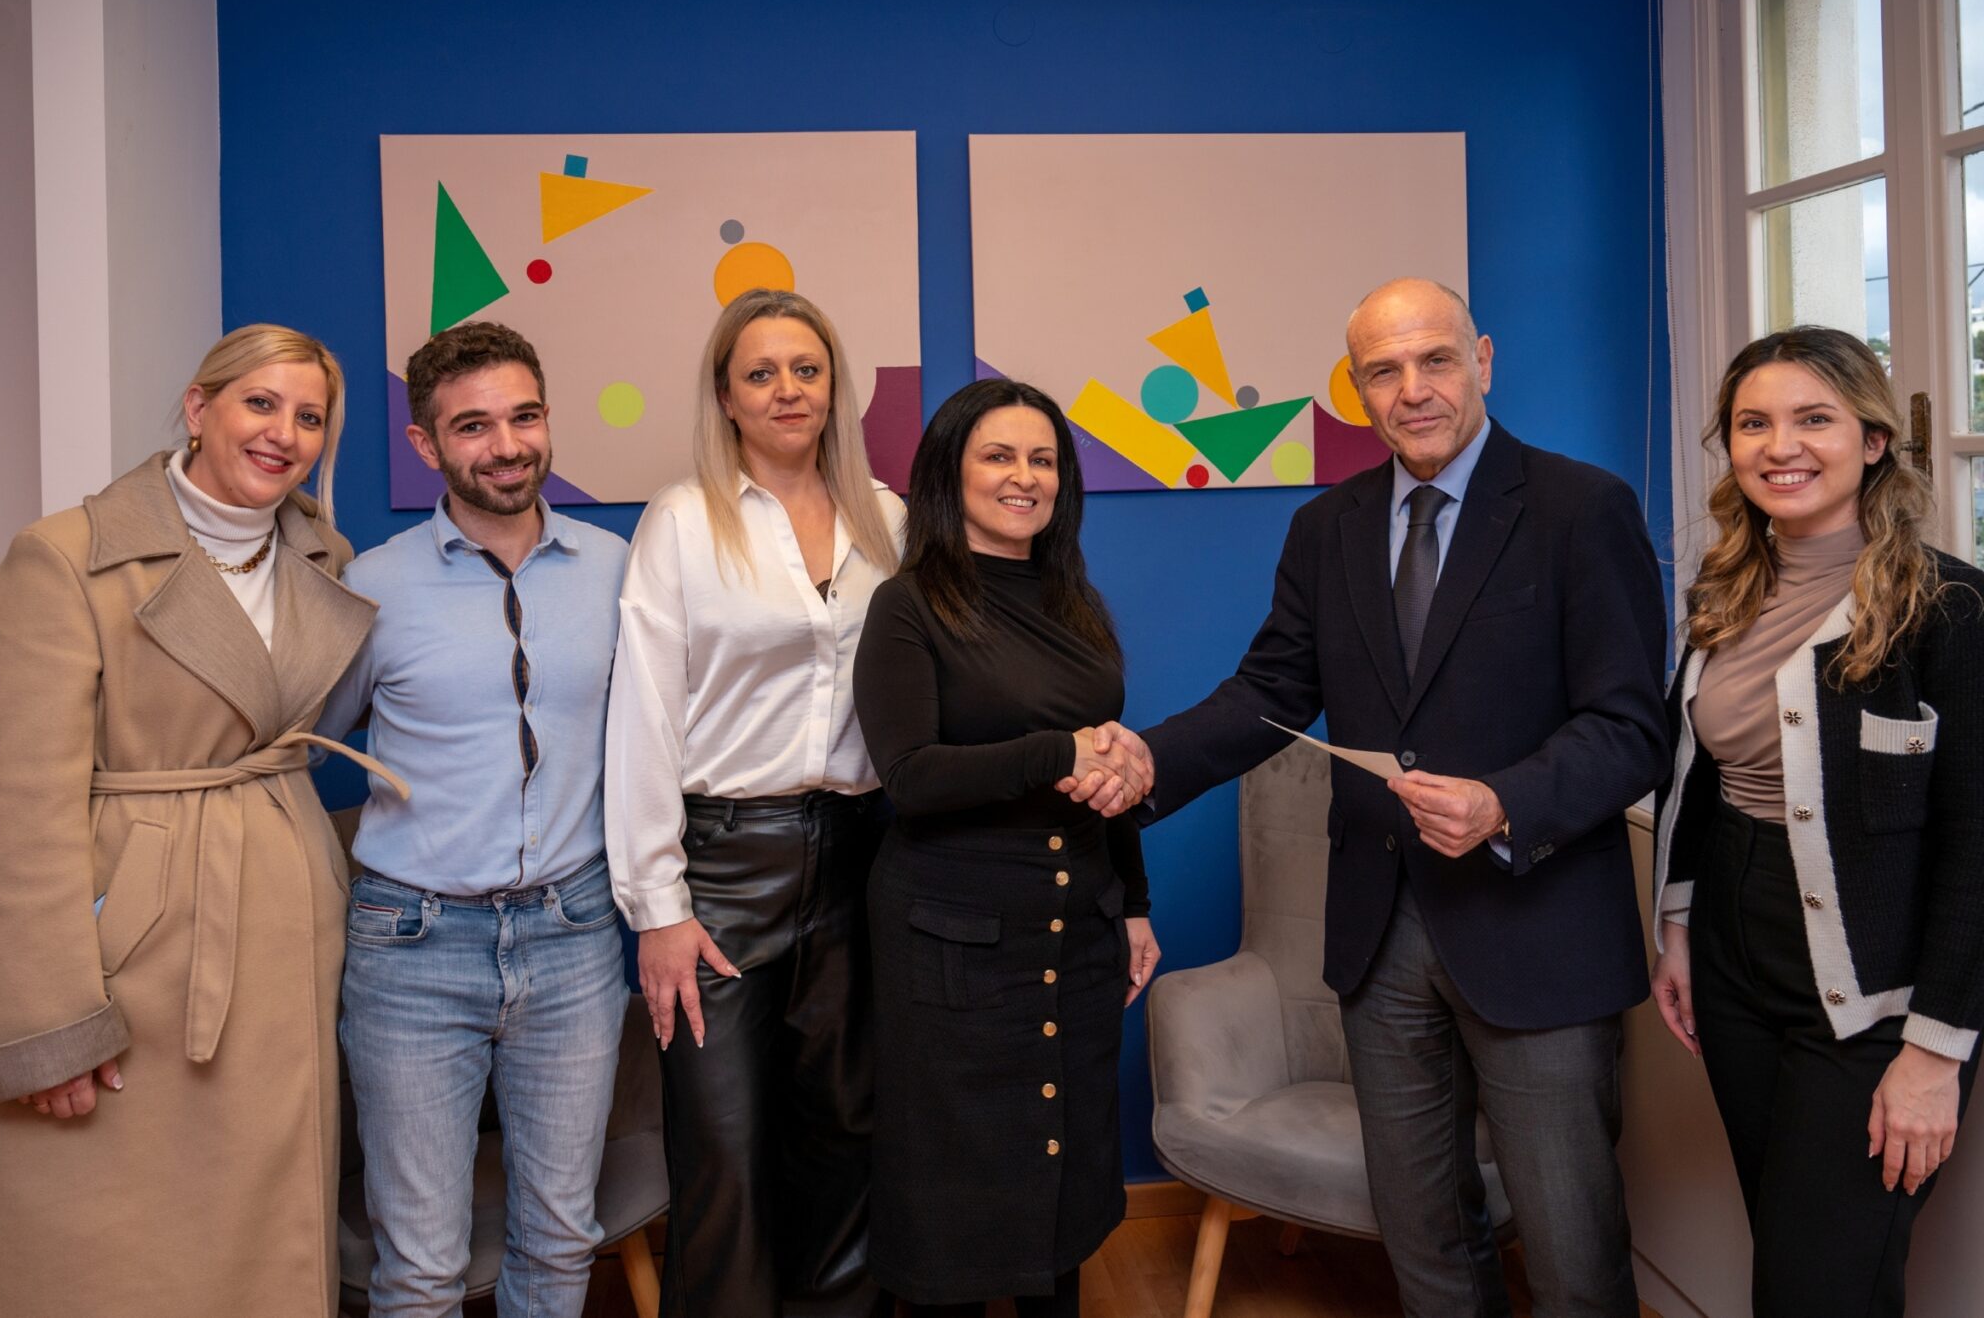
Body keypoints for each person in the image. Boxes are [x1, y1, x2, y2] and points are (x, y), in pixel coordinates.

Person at [1077, 278, 1668, 1316]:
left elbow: (1631, 729)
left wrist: (1502, 803)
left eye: (1434, 360)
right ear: (1355, 391)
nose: (1413, 390)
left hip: (1535, 930)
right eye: (1382, 372)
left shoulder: (1583, 509)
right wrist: (1147, 761)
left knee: (1571, 1254)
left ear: (1482, 361)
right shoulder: (1327, 527)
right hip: (1378, 933)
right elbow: (1268, 694)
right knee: (1425, 1241)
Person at [0, 324, 404, 1317]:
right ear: (199, 408)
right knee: (99, 1242)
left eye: (308, 417)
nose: (282, 433)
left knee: (257, 1232)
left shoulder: (322, 554)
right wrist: (46, 1027)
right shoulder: (66, 558)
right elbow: (13, 809)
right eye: (259, 403)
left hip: (283, 936)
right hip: (134, 950)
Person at [1648, 326, 1984, 1316]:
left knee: (1817, 1290)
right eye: (1752, 424)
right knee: (1791, 1257)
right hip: (1733, 959)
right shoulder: (1724, 596)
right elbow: (1697, 776)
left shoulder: (1949, 610)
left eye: (1812, 420)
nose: (1779, 446)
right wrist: (1677, 927)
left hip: (1874, 995)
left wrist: (1935, 1053)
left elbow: (1976, 847)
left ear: (1872, 441)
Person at [316, 321, 630, 1317]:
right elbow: (314, 739)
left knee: (560, 1241)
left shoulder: (618, 569)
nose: (506, 446)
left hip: (574, 936)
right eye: (473, 426)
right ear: (425, 444)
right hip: (411, 945)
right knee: (419, 1267)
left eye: (523, 417)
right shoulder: (371, 586)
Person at [604, 288, 905, 1316]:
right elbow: (643, 718)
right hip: (723, 872)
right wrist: (658, 908)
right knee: (724, 1150)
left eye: (806, 369)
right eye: (761, 373)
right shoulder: (682, 522)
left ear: (834, 387)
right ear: (726, 397)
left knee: (846, 1135)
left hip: (858, 858)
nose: (788, 390)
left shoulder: (889, 520)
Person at [854, 379, 1161, 1316]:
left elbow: (1109, 765)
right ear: (950, 473)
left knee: (1062, 1171)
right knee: (954, 1193)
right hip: (954, 944)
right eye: (998, 456)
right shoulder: (908, 606)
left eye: (1043, 459)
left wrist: (1135, 903)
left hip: (1078, 928)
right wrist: (1053, 753)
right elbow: (910, 777)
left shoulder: (1076, 601)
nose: (1024, 477)